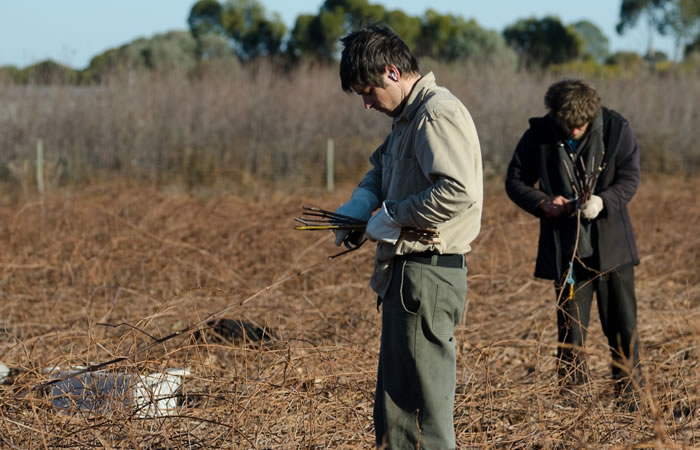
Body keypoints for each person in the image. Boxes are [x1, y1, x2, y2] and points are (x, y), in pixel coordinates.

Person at [334, 24, 483, 449]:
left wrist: (394, 216)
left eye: (368, 91)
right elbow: (383, 168)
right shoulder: (406, 117)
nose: (366, 104)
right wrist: (360, 206)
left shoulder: (436, 113)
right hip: (408, 277)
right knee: (397, 416)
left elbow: (457, 191)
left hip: (427, 276)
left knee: (421, 417)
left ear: (392, 72)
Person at [505, 79, 643, 409]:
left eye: (581, 124)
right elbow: (514, 180)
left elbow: (630, 177)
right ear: (556, 116)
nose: (575, 129)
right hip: (567, 253)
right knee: (570, 335)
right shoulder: (539, 135)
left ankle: (630, 405)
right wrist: (542, 202)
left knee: (623, 330)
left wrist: (603, 201)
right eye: (569, 124)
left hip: (613, 251)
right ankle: (571, 407)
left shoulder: (616, 129)